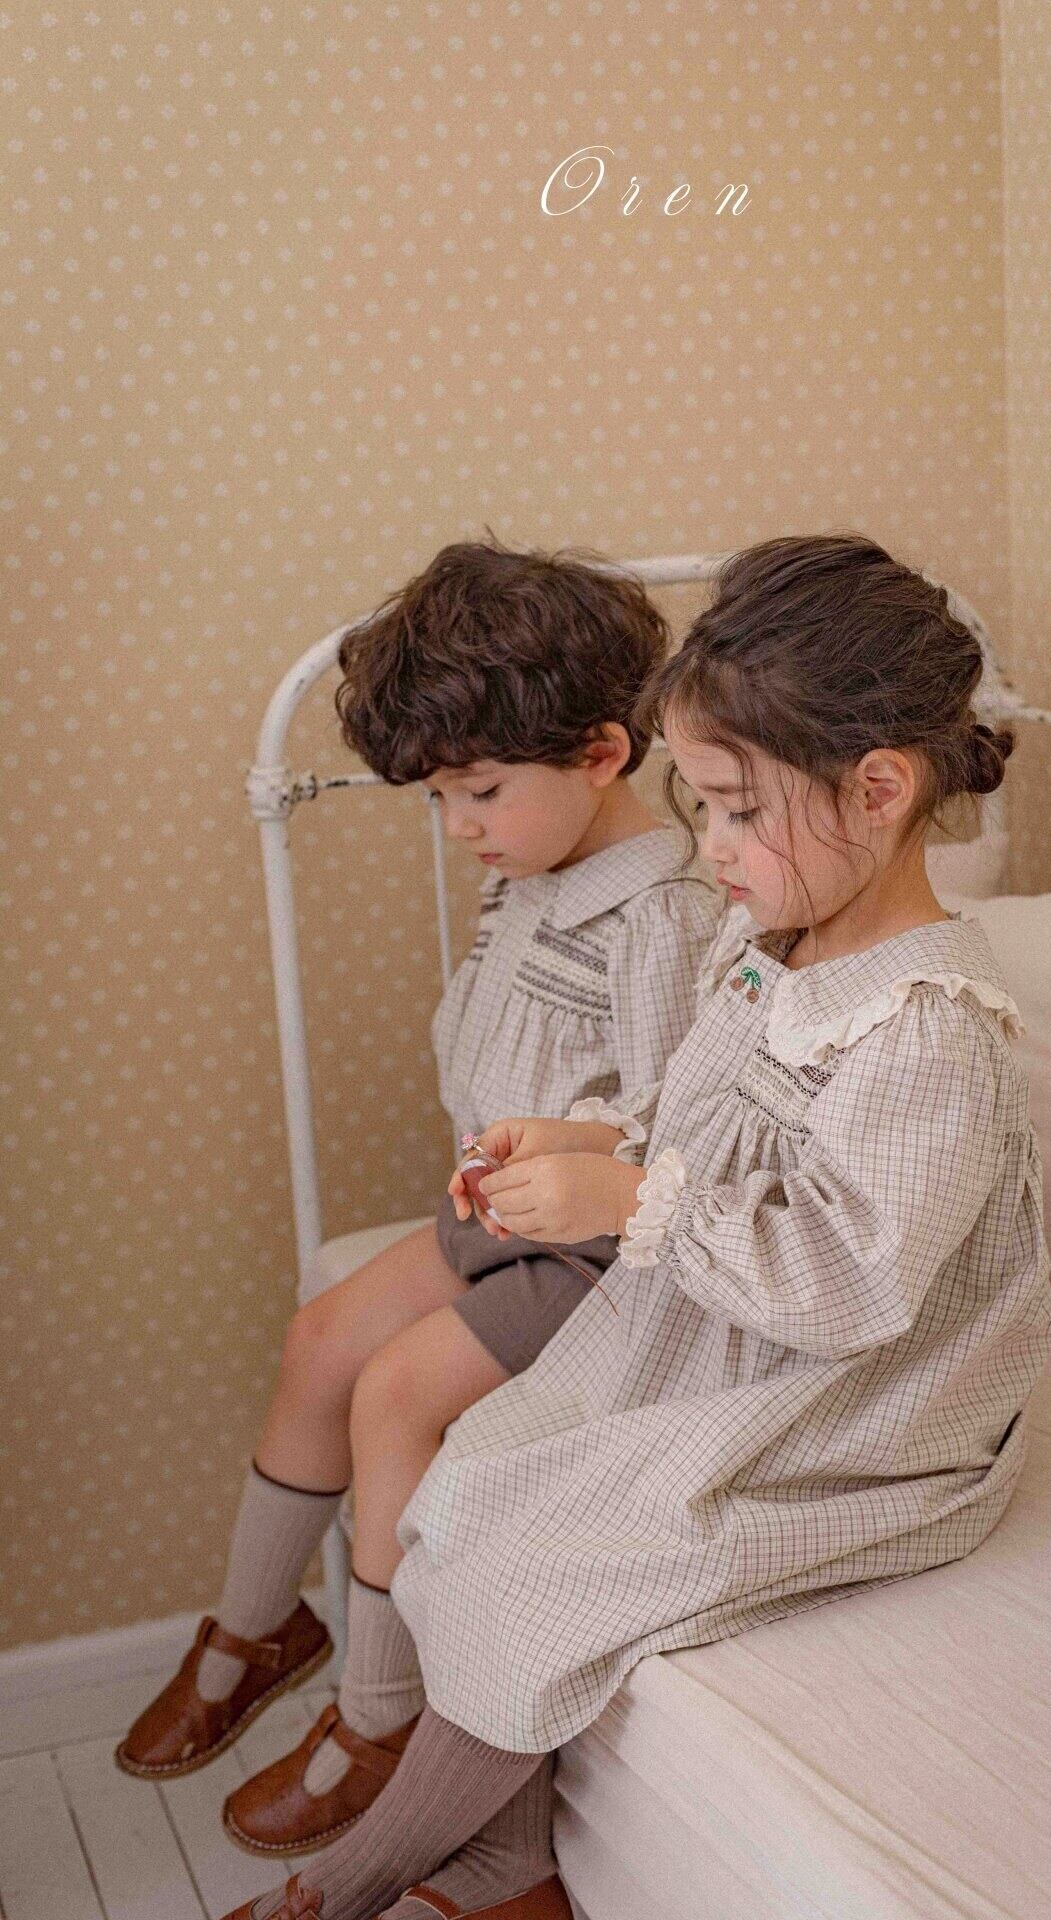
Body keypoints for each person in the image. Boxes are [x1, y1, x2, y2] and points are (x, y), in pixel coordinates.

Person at [227, 532, 1051, 1920]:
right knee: (476, 1487)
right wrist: (589, 1142)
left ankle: (357, 1880)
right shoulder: (772, 943)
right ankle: (504, 1866)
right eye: (702, 806)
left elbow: (854, 1283)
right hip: (741, 1324)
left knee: (546, 1568)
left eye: (737, 811)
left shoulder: (929, 1031)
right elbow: (694, 1110)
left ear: (878, 789)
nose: (709, 848)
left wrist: (633, 1204)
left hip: (865, 1403)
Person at [114, 535, 721, 1859]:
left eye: (481, 792)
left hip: (598, 1254)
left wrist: (559, 1160)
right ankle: (254, 1632)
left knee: (394, 1394)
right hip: (500, 1212)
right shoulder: (528, 875)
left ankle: (379, 1719)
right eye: (440, 797)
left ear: (605, 753)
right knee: (321, 1337)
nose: (459, 828)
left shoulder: (660, 912)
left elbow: (675, 1131)